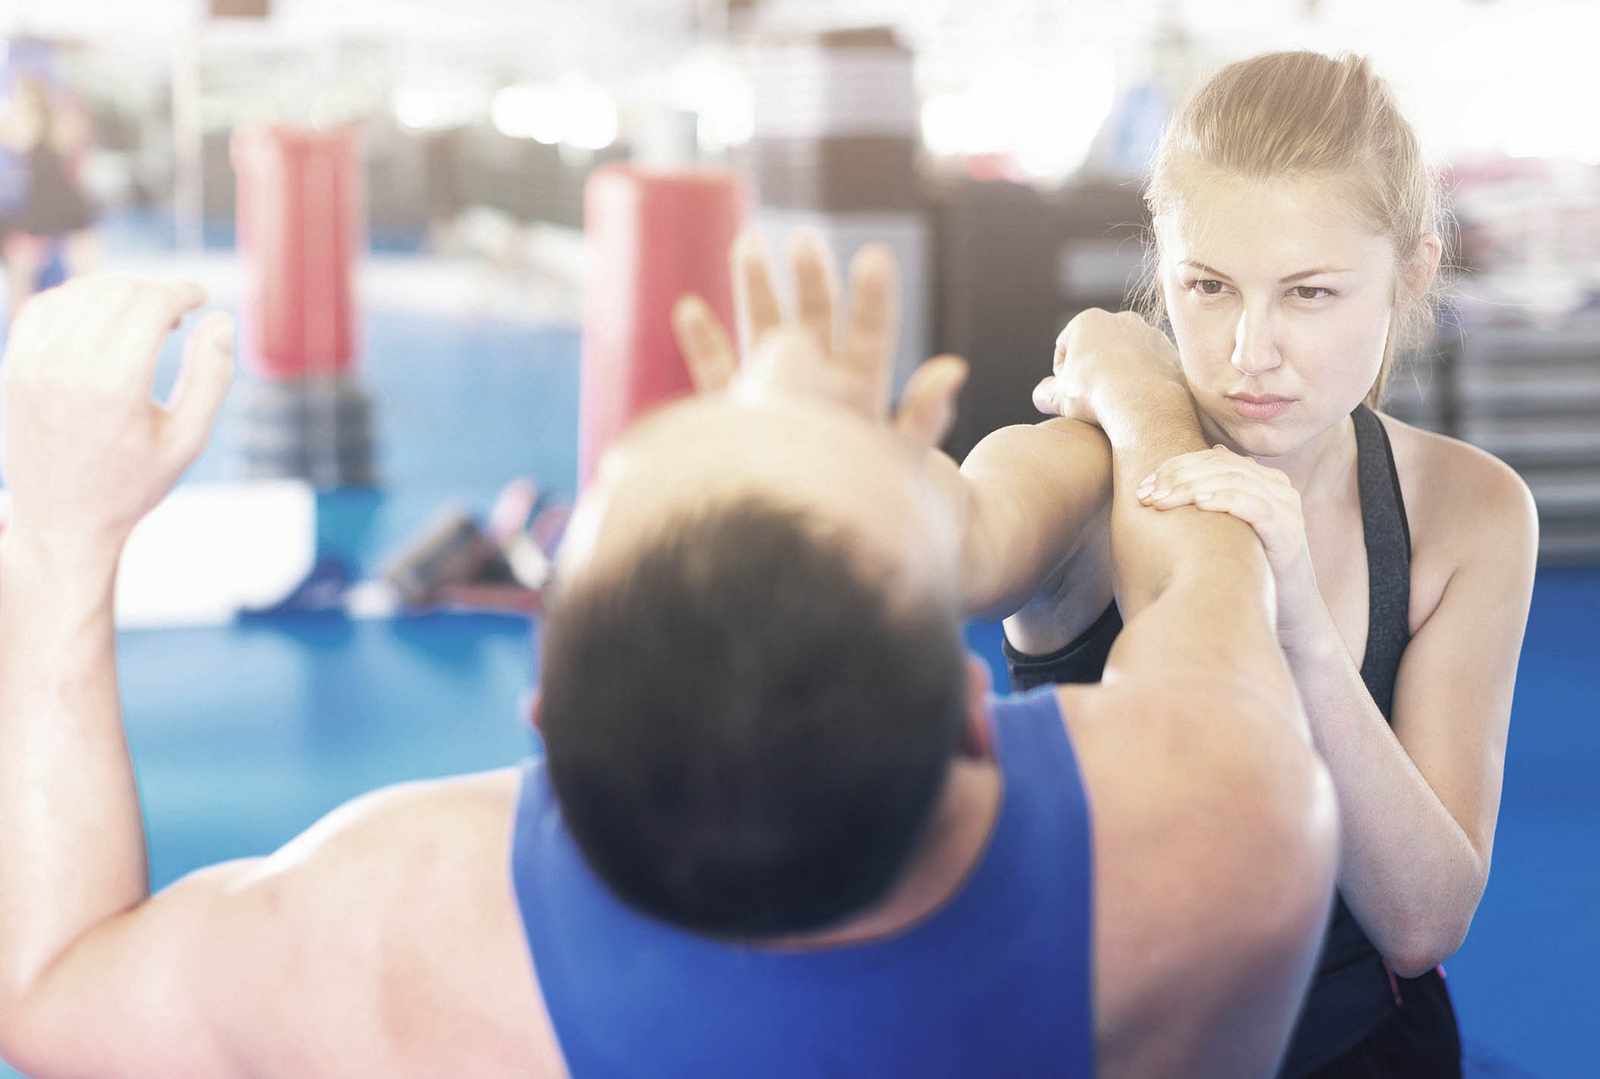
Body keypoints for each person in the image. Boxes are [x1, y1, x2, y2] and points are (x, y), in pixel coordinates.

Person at [0, 263, 1336, 1077]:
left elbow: (53, 985)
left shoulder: (390, 927)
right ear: (978, 721)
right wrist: (1131, 378)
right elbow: (1200, 564)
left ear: (544, 725)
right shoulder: (1227, 828)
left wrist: (59, 527)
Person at [785, 50, 1531, 1078]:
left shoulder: (1467, 510)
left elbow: (1422, 917)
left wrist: (1304, 632)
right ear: (1161, 265)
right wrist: (844, 479)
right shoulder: (1080, 467)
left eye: (1309, 294)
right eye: (1208, 286)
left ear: (1411, 272)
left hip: (1359, 1044)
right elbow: (962, 535)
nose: (1247, 349)